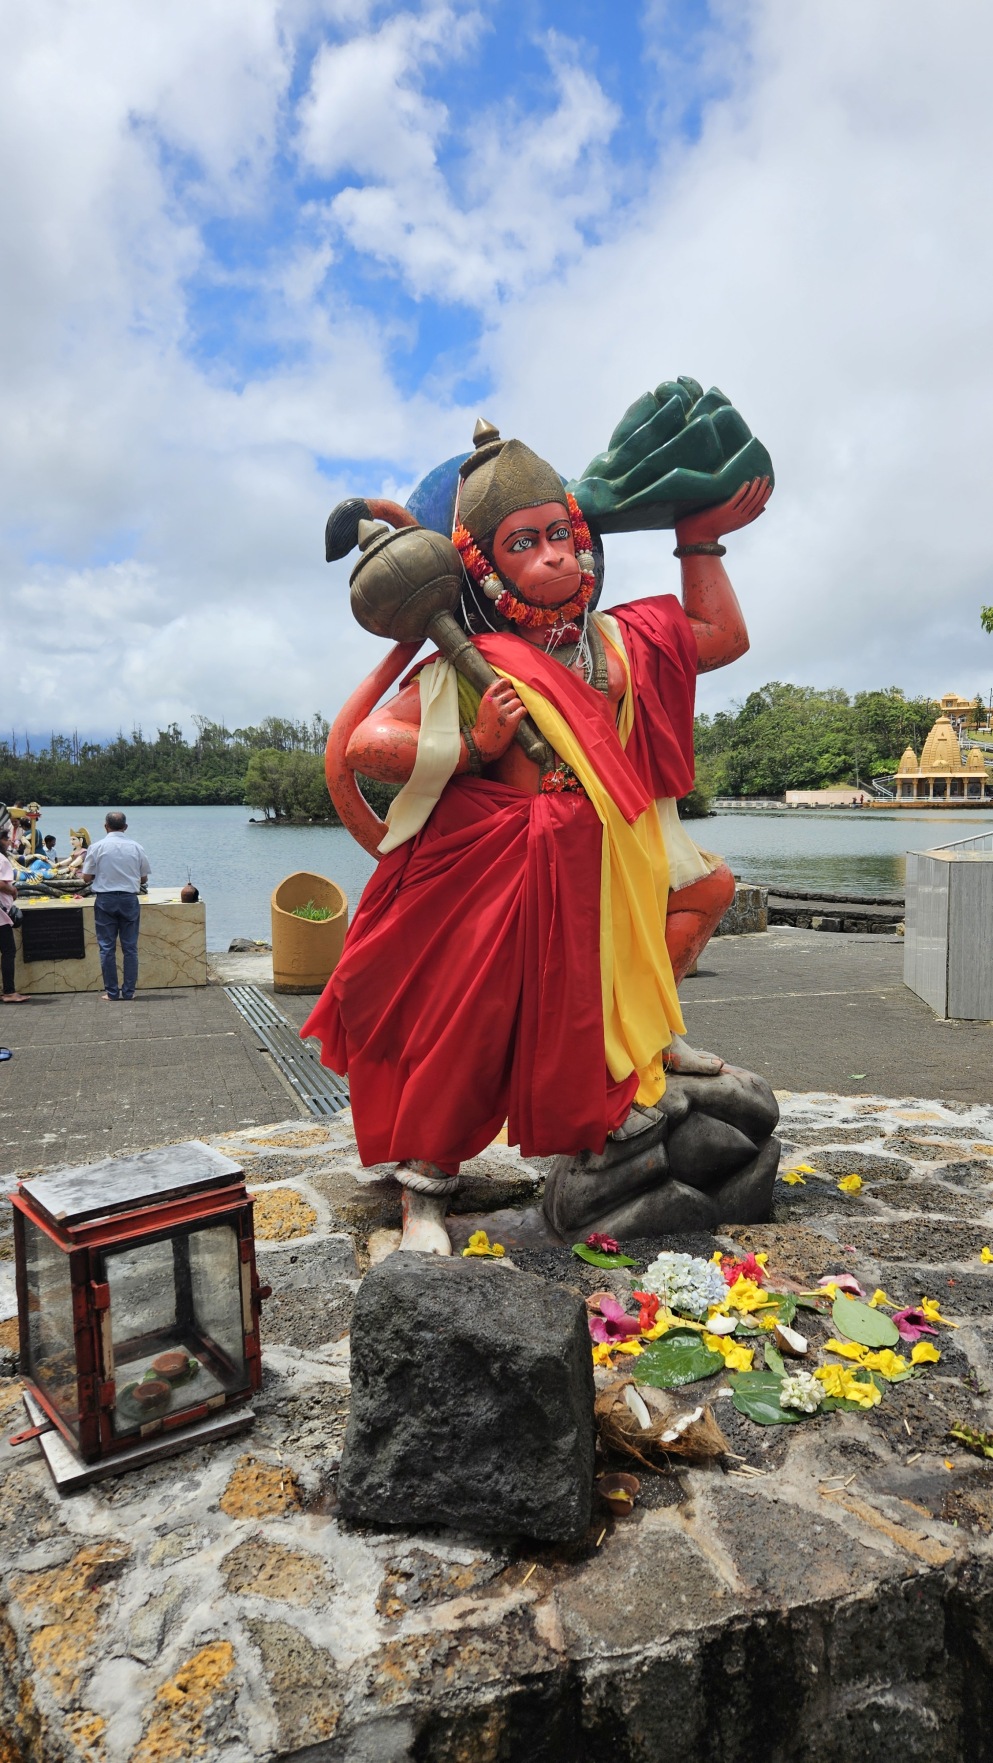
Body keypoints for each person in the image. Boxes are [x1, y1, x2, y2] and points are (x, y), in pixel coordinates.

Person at [304, 418, 770, 1254]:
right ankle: (423, 1197)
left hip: (610, 851)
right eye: (524, 543)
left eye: (560, 535)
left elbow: (721, 638)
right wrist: (474, 743)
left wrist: (698, 539)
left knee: (705, 890)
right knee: (468, 1021)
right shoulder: (470, 661)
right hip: (508, 862)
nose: (553, 557)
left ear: (583, 542)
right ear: (484, 564)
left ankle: (648, 1037)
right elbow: (371, 744)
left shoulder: (620, 640)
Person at [81, 812, 150, 1000]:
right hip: (129, 899)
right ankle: (129, 992)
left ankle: (112, 992)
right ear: (125, 827)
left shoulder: (96, 847)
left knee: (106, 948)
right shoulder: (136, 847)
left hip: (105, 900)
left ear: (106, 826)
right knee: (130, 948)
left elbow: (86, 877)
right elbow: (143, 878)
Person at [0, 828, 29, 1003]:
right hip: (1, 915)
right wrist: (13, 890)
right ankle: (9, 992)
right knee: (9, 951)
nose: (9, 842)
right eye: (6, 839)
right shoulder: (1, 859)